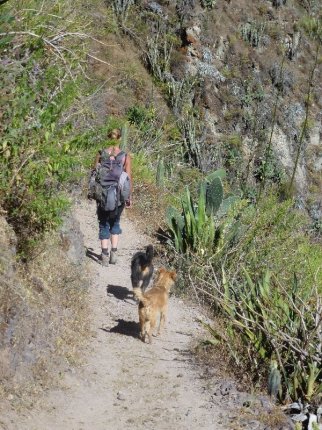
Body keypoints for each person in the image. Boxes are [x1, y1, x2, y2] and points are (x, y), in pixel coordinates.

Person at [93, 128, 132, 267]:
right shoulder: (125, 156)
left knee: (103, 223)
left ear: (108, 137)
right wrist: (128, 197)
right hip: (118, 196)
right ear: (120, 138)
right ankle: (113, 254)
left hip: (102, 195)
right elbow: (128, 177)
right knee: (115, 222)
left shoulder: (100, 153)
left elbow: (94, 173)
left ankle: (104, 255)